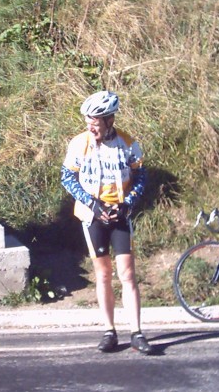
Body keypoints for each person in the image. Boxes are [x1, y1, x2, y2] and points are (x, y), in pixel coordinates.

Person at [61, 90, 153, 354]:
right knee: (103, 274)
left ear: (110, 120)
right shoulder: (80, 143)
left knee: (128, 274)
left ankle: (136, 332)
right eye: (88, 122)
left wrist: (128, 202)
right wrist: (92, 204)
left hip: (120, 215)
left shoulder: (127, 143)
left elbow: (141, 176)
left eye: (96, 122)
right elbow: (67, 177)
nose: (92, 127)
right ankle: (109, 331)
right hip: (93, 216)